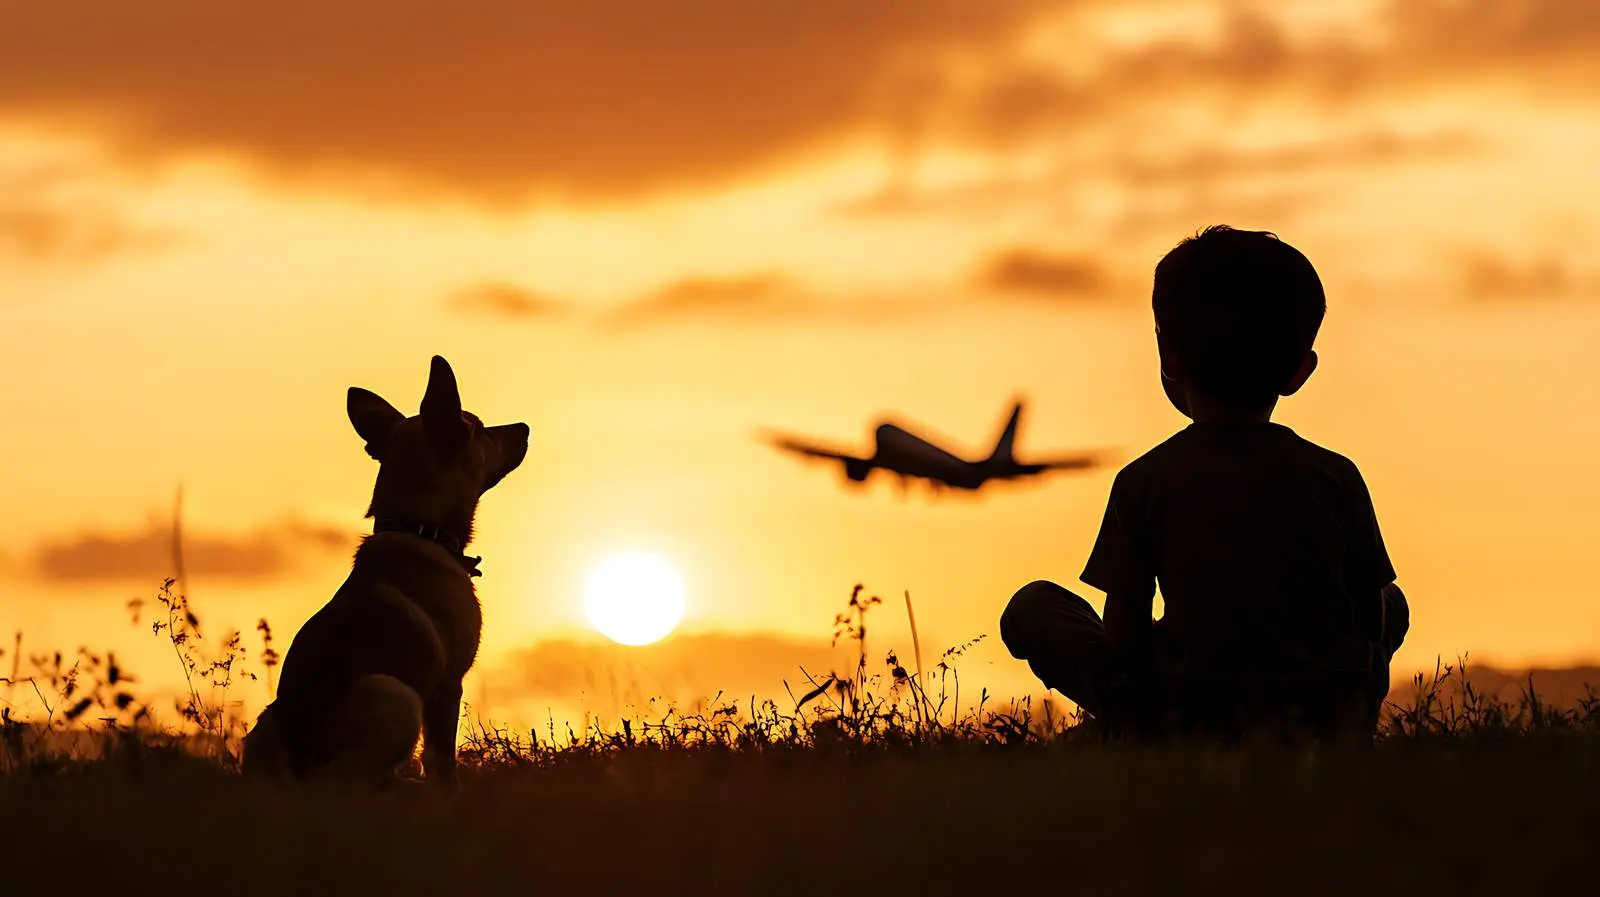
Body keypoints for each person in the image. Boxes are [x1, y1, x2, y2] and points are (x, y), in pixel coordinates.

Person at [999, 225, 1409, 742]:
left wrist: (1137, 702)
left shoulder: (1144, 482)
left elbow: (1125, 632)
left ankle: (1130, 732)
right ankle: (1345, 724)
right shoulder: (1336, 476)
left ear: (1168, 355)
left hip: (1186, 713)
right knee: (1392, 600)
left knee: (1035, 607)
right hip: (1320, 712)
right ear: (1300, 371)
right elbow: (1368, 619)